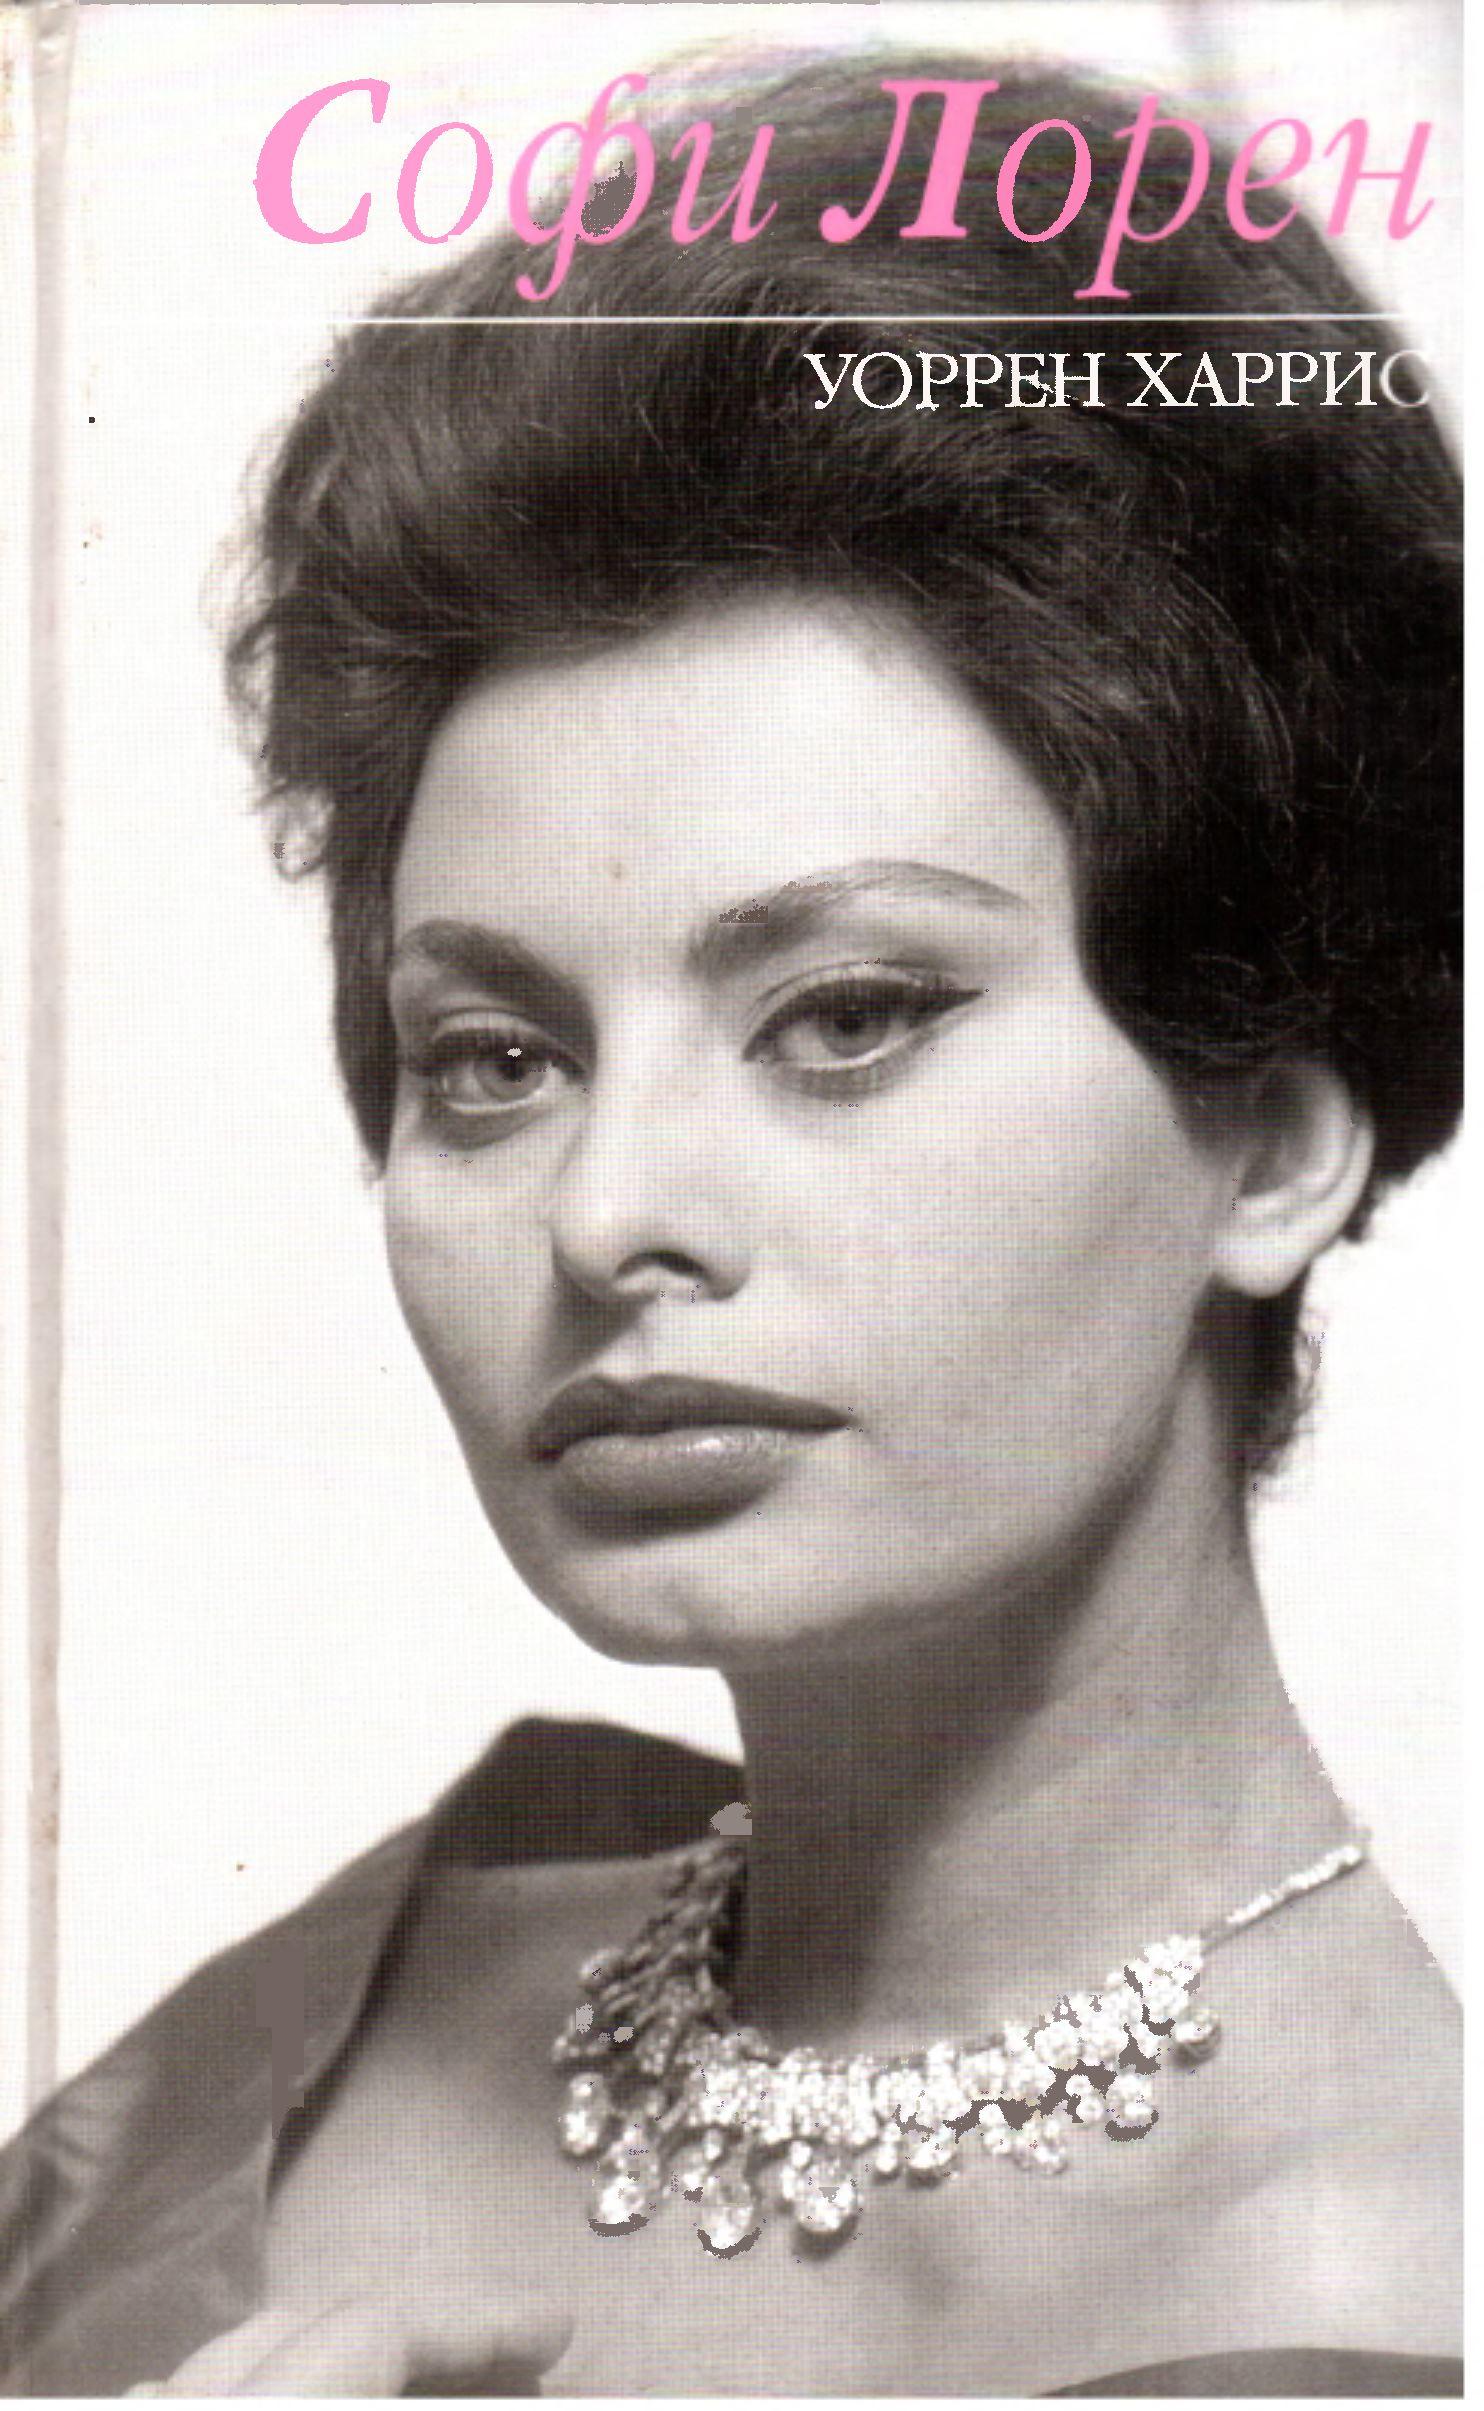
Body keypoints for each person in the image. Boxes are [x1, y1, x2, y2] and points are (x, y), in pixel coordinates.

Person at [1, 47, 1462, 2398]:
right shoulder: (267, 2078)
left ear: (1271, 1145)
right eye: (496, 1059)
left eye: (845, 1018)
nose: (607, 1216)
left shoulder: (1402, 2292)